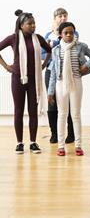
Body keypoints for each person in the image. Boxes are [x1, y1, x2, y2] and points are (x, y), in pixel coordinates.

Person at [0, 10, 51, 154]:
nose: (33, 26)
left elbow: (49, 50)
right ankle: (19, 143)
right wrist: (6, 66)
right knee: (18, 110)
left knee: (33, 111)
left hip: (34, 79)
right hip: (18, 78)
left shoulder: (38, 38)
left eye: (34, 23)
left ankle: (33, 143)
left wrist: (43, 65)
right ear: (21, 25)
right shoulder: (13, 38)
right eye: (30, 24)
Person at [47, 22, 90, 156]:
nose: (69, 35)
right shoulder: (55, 50)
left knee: (75, 114)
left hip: (76, 82)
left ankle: (78, 145)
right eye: (66, 33)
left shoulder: (81, 47)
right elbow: (53, 73)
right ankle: (61, 146)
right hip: (60, 83)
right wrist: (50, 92)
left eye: (71, 32)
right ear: (61, 34)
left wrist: (86, 66)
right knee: (62, 114)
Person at [43, 7, 78, 144]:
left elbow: (69, 44)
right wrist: (54, 39)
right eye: (59, 16)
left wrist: (56, 39)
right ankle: (54, 133)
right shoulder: (48, 35)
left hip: (68, 71)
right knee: (52, 103)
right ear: (55, 19)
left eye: (64, 15)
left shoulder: (73, 32)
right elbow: (44, 53)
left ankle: (71, 134)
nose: (63, 18)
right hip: (52, 71)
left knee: (69, 102)